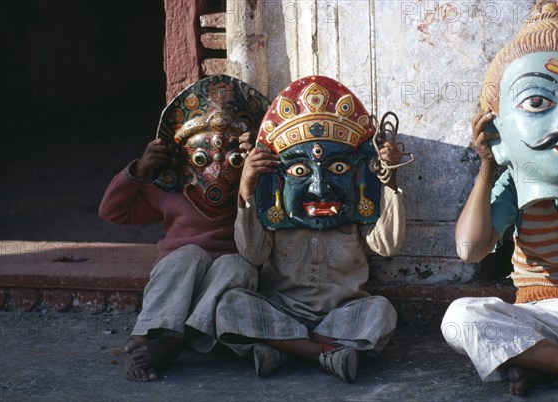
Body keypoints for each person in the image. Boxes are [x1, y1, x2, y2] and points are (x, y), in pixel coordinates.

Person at [441, 0, 558, 396]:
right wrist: (487, 164)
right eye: (537, 102)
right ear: (497, 128)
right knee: (460, 319)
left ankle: (544, 362)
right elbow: (470, 250)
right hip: (539, 312)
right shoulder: (513, 181)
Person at [215, 76, 407, 382]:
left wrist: (389, 182)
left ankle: (286, 349)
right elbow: (252, 254)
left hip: (342, 312)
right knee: (230, 304)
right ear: (279, 177)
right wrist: (247, 186)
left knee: (381, 311)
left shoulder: (352, 211)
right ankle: (323, 353)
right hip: (281, 309)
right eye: (300, 171)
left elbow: (387, 246)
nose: (319, 189)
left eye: (339, 169)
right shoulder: (276, 214)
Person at [98, 75, 269, 382]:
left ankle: (173, 343)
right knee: (188, 254)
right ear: (183, 158)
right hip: (177, 290)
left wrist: (253, 177)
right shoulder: (171, 191)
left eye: (230, 158)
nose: (216, 169)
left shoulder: (251, 190)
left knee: (237, 265)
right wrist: (141, 169)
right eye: (202, 157)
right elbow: (112, 211)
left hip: (218, 301)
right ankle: (143, 338)